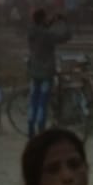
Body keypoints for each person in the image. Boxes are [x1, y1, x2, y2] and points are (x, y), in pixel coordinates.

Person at [26, 8, 71, 138]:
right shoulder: (47, 35)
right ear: (42, 19)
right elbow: (65, 37)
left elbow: (41, 28)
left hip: (34, 71)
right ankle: (41, 129)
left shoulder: (31, 30)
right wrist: (65, 22)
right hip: (46, 73)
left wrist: (51, 21)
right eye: (45, 18)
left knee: (34, 100)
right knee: (42, 102)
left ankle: (30, 129)